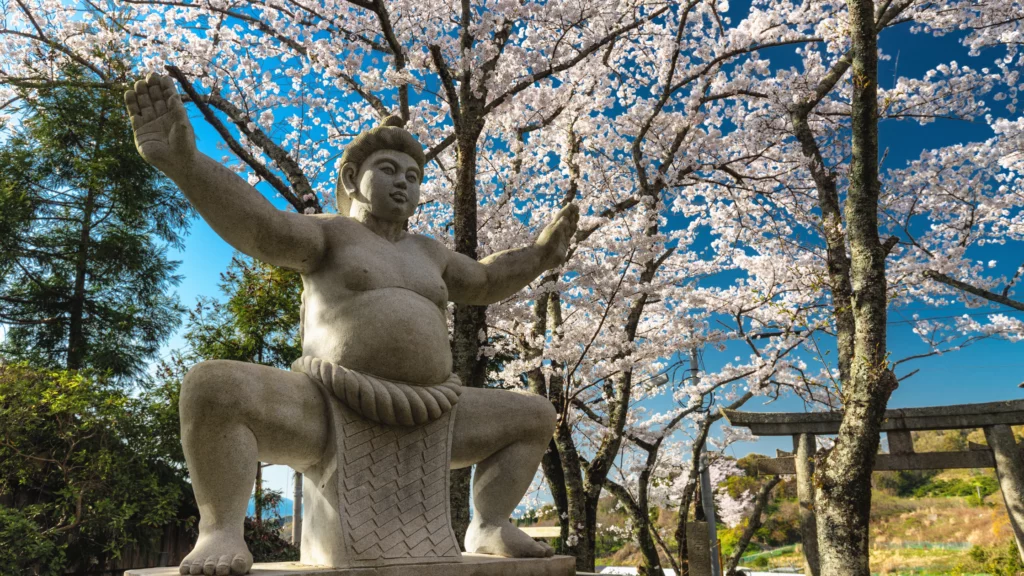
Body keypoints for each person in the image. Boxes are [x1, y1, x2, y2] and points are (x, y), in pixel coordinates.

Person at [125, 73, 579, 576]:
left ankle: (490, 523)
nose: (404, 180)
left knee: (535, 416)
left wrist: (540, 256)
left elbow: (488, 279)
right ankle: (220, 528)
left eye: (413, 174)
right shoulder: (331, 233)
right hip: (326, 406)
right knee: (212, 387)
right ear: (350, 179)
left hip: (436, 411)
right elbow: (261, 228)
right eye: (389, 168)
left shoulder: (431, 253)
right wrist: (187, 166)